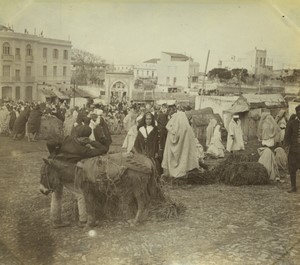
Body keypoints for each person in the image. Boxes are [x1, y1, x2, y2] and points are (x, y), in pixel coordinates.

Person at [46, 123, 109, 227]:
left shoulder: (67, 139)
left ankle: (55, 220)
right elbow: (103, 150)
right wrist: (92, 142)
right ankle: (83, 220)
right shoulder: (83, 150)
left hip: (54, 169)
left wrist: (53, 153)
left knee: (57, 195)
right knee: (80, 194)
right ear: (86, 137)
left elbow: (50, 143)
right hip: (66, 173)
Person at [162, 111, 199, 178]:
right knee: (184, 157)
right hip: (184, 154)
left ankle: (174, 172)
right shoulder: (187, 130)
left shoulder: (171, 131)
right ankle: (183, 171)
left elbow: (169, 147)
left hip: (174, 156)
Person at [284, 105, 300, 193]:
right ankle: (293, 187)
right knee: (292, 169)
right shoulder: (292, 123)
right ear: (297, 113)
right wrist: (287, 146)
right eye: (299, 112)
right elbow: (287, 136)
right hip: (294, 151)